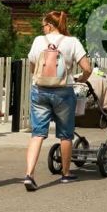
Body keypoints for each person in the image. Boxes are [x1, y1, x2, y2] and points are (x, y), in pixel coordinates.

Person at [24, 10, 92, 191]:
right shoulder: (72, 42)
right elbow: (87, 68)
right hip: (63, 92)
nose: (43, 28)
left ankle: (29, 174)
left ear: (49, 25)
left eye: (43, 25)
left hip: (39, 91)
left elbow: (32, 66)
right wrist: (82, 79)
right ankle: (66, 173)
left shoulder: (39, 41)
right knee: (65, 134)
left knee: (37, 134)